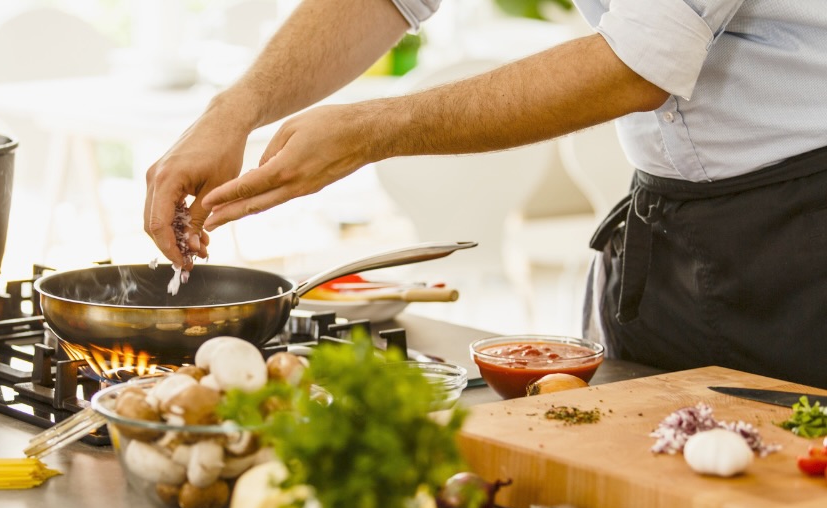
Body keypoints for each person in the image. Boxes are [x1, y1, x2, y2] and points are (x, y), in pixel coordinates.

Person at [144, 0, 827, 388]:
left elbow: (638, 63)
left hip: (804, 231)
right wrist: (234, 110)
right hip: (668, 224)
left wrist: (376, 129)